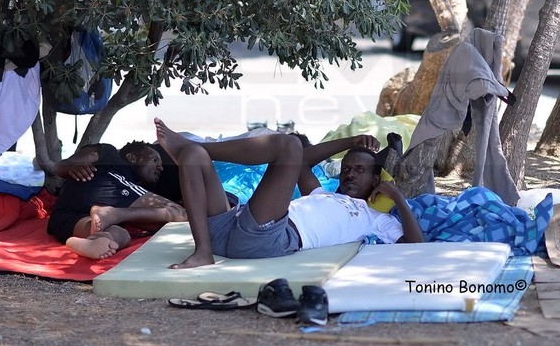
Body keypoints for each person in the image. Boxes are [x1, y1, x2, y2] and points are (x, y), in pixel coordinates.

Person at [154, 118, 424, 269]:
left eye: (359, 171)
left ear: (376, 180)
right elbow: (302, 161)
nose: (350, 174)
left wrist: (398, 197)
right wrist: (349, 142)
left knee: (289, 144)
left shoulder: (373, 217)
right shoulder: (322, 194)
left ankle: (190, 144)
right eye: (346, 168)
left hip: (269, 238)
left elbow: (417, 247)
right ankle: (203, 252)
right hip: (227, 230)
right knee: (194, 156)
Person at [47, 142, 186, 260]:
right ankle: (114, 214)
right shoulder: (110, 154)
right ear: (132, 157)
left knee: (121, 235)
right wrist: (72, 167)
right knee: (182, 214)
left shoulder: (129, 183)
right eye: (155, 160)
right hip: (102, 182)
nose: (160, 167)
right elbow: (60, 166)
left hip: (62, 216)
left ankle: (95, 242)